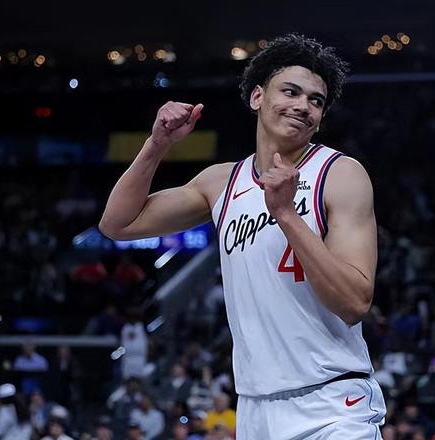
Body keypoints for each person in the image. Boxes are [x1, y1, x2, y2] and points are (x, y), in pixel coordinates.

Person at [99, 33, 385, 439]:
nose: (303, 106)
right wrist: (156, 145)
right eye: (290, 92)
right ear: (257, 97)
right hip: (254, 407)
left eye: (316, 101)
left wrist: (286, 214)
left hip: (332, 403)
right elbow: (118, 224)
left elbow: (355, 302)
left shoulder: (340, 173)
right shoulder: (221, 182)